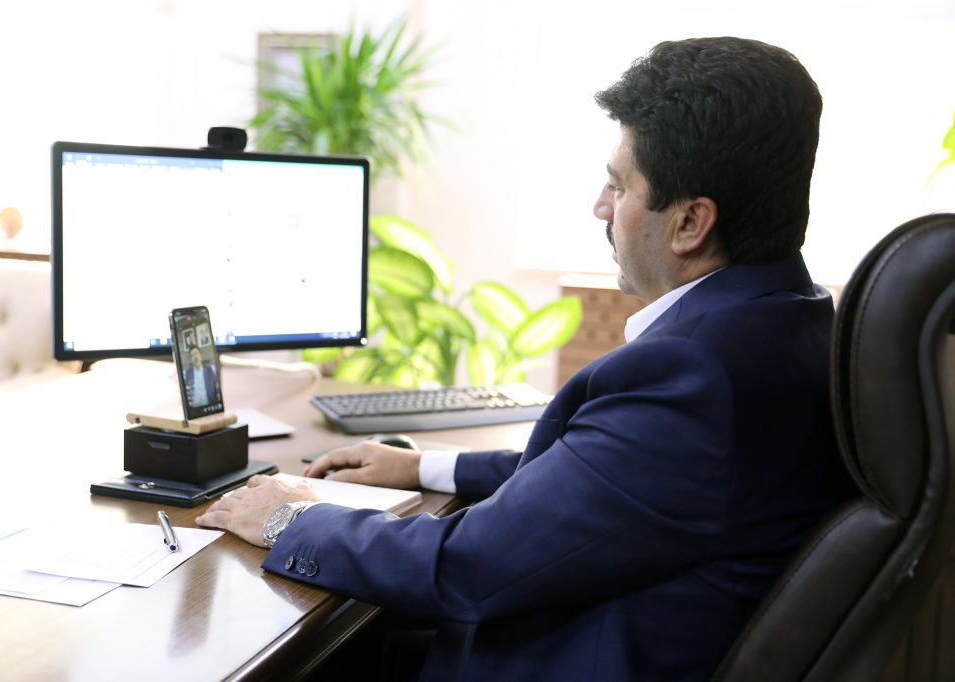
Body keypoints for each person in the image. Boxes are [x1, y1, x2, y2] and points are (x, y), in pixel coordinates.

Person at [196, 36, 852, 681]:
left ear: (690, 223)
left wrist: (287, 518)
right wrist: (424, 466)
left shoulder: (695, 375)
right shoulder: (791, 320)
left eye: (618, 186)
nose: (600, 206)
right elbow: (605, 483)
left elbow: (467, 566)